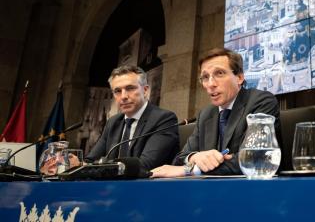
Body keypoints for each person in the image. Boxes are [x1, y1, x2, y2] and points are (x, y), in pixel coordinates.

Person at [151, 47, 280, 177]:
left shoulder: (262, 102)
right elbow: (180, 157)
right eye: (205, 77)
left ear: (239, 77)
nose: (211, 84)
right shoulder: (206, 114)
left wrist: (189, 170)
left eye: (219, 73)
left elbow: (255, 158)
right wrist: (195, 156)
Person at [84, 65, 179, 170]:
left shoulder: (164, 119)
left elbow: (144, 165)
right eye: (117, 91)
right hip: (112, 184)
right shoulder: (113, 122)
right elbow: (90, 161)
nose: (123, 96)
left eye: (130, 88)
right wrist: (78, 163)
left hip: (146, 185)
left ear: (145, 90)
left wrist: (103, 165)